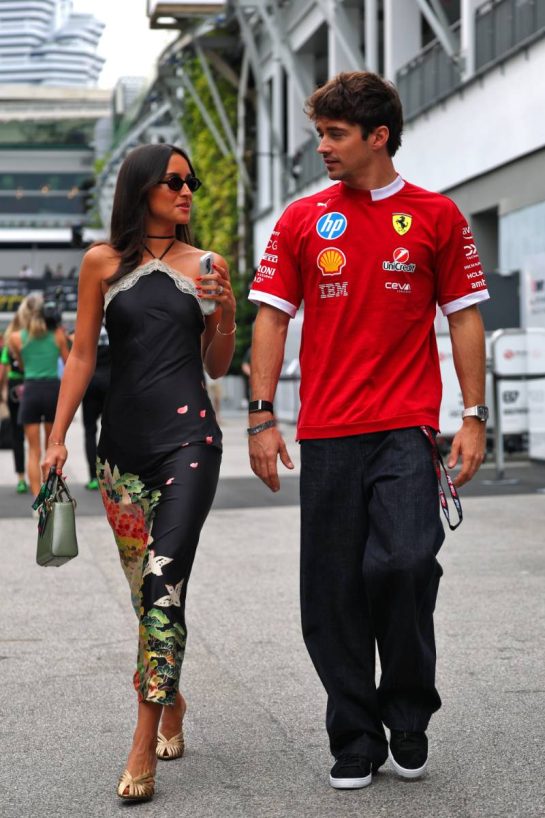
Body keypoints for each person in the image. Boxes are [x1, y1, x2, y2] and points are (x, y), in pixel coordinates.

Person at [247, 71, 489, 790]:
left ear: (377, 137)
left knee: (406, 563)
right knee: (331, 592)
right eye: (319, 132)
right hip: (325, 433)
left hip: (406, 430)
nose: (320, 146)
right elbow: (270, 318)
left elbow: (466, 317)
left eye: (334, 134)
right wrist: (261, 417)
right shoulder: (300, 219)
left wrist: (472, 418)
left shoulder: (436, 216)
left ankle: (407, 713)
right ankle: (354, 734)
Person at [41, 143, 236, 803]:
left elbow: (216, 364)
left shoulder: (208, 265)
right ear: (143, 188)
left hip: (190, 441)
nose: (187, 192)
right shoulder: (101, 262)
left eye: (191, 182)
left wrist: (225, 312)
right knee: (142, 594)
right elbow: (80, 359)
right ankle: (172, 697)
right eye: (174, 181)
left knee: (162, 588)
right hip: (120, 450)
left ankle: (142, 734)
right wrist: (59, 439)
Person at [9, 294, 69, 498]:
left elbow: (23, 366)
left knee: (33, 451)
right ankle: (50, 495)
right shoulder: (58, 334)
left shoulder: (16, 338)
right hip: (53, 390)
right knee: (50, 449)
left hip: (31, 391)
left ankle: (37, 500)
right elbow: (69, 365)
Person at [0, 305, 29, 493]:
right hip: (32, 387)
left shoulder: (10, 342)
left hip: (13, 390)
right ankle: (41, 475)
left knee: (17, 435)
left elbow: (3, 370)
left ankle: (20, 478)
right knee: (35, 437)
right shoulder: (32, 339)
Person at [81, 324, 110, 490]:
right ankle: (109, 477)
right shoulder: (115, 323)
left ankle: (93, 477)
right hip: (111, 382)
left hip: (91, 382)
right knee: (111, 431)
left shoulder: (89, 327)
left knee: (89, 430)